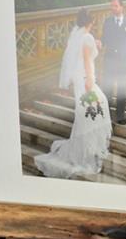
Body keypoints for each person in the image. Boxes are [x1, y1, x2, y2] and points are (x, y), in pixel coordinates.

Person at [35, 14, 113, 179]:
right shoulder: (87, 37)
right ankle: (88, 149)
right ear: (91, 22)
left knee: (86, 111)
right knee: (99, 105)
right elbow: (86, 59)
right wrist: (90, 77)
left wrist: (96, 47)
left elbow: (82, 55)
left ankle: (89, 146)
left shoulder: (79, 37)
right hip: (85, 77)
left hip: (79, 78)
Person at [100, 0, 126, 125]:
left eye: (115, 6)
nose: (113, 8)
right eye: (111, 6)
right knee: (108, 89)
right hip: (110, 61)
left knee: (122, 89)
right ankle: (105, 115)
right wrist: (99, 42)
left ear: (122, 7)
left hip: (124, 63)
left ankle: (120, 116)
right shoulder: (107, 22)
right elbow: (104, 38)